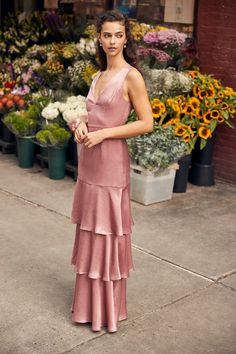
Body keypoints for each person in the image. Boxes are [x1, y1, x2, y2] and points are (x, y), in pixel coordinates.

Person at [70, 9, 153, 333]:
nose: (113, 41)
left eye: (119, 35)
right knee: (91, 232)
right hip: (89, 166)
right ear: (99, 38)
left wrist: (104, 133)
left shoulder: (131, 76)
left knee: (108, 234)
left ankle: (107, 312)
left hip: (111, 165)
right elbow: (94, 115)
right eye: (107, 35)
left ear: (126, 37)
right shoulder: (97, 76)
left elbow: (146, 123)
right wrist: (80, 124)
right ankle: (87, 308)